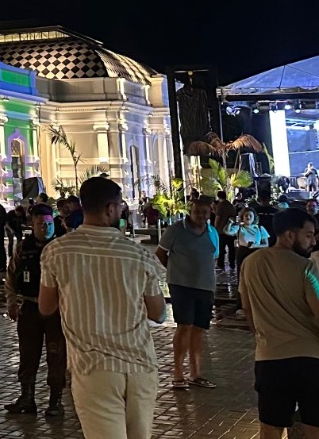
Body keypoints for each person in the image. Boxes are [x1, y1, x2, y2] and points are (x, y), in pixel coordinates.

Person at [38, 177, 166, 439]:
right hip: (139, 365)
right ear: (110, 208)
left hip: (93, 367)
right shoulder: (138, 255)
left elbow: (45, 306)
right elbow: (158, 313)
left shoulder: (57, 252)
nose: (122, 211)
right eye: (120, 206)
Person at [240, 207, 319, 439]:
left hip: (269, 360)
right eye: (309, 235)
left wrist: (264, 337)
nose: (313, 241)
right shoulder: (306, 268)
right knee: (316, 427)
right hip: (311, 361)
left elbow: (248, 310)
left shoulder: (250, 263)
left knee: (271, 428)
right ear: (289, 235)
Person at [4, 203, 67, 418]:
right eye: (40, 224)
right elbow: (11, 275)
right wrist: (11, 301)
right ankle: (26, 398)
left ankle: (55, 400)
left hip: (56, 311)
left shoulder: (61, 247)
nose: (45, 228)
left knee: (56, 355)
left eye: (49, 224)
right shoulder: (24, 247)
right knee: (28, 354)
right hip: (30, 307)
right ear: (32, 224)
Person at [159, 195, 219, 390]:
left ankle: (196, 373)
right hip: (181, 286)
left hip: (205, 286)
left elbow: (214, 257)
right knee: (184, 326)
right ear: (190, 211)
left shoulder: (212, 232)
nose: (200, 216)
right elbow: (160, 254)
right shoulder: (175, 230)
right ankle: (178, 373)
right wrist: (175, 272)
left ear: (210, 213)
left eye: (204, 212)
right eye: (196, 212)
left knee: (199, 329)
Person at [214, 191, 237, 270]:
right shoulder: (231, 206)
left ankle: (220, 264)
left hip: (221, 230)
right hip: (230, 231)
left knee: (221, 248)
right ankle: (232, 263)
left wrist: (215, 227)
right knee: (231, 248)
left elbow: (218, 218)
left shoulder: (220, 206)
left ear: (218, 197)